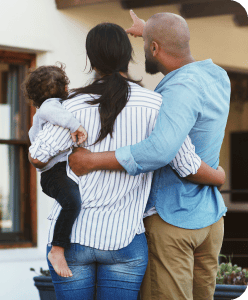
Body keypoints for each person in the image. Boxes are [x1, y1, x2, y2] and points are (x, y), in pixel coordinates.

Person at [29, 22, 224, 300]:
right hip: (125, 241)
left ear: (91, 60)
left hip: (72, 237)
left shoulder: (69, 106)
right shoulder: (155, 105)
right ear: (129, 56)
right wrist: (219, 175)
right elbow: (185, 165)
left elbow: (38, 156)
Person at [25, 64, 87, 278]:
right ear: (63, 87)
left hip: (54, 172)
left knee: (72, 202)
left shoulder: (45, 109)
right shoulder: (51, 106)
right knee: (72, 202)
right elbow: (52, 112)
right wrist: (75, 126)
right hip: (53, 173)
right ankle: (57, 249)